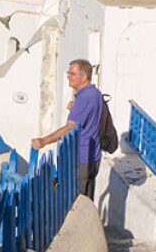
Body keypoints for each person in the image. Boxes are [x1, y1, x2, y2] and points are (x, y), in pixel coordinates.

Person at [30, 59, 102, 199]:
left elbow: (71, 127)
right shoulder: (95, 94)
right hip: (93, 156)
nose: (68, 76)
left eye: (72, 73)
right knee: (86, 200)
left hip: (82, 158)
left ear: (83, 77)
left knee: (76, 203)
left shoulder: (84, 98)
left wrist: (44, 141)